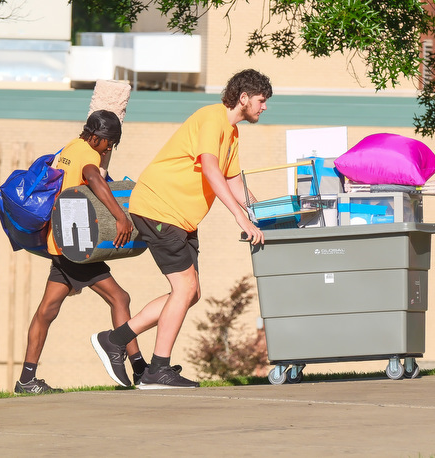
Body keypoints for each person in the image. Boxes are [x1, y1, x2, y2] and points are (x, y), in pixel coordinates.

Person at [91, 69, 272, 389]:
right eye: (261, 101)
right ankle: (156, 369)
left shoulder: (231, 133)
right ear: (243, 98)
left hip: (182, 219)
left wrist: (261, 213)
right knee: (185, 288)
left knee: (189, 293)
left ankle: (115, 339)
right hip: (160, 208)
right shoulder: (211, 119)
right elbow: (211, 169)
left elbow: (231, 179)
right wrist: (238, 218)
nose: (264, 107)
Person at [15, 110, 147, 394]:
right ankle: (139, 368)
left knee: (46, 311)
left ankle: (26, 379)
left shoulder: (69, 148)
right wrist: (120, 217)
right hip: (76, 245)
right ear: (97, 138)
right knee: (120, 298)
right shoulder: (89, 155)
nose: (109, 148)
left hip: (60, 242)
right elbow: (93, 178)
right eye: (109, 143)